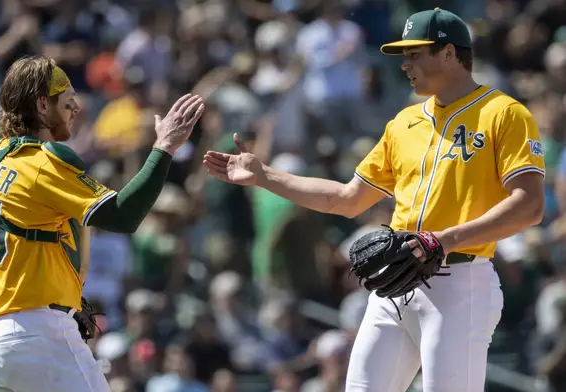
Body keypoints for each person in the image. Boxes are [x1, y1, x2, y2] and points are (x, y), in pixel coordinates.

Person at [203, 8, 546, 392]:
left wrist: (443, 240)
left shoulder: (504, 113)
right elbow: (346, 199)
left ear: (449, 54)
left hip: (459, 282)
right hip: (396, 281)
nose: (405, 65)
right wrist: (266, 176)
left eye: (414, 54)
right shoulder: (404, 124)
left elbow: (530, 206)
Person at [0, 55, 204, 392]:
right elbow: (123, 215)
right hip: (35, 337)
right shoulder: (40, 163)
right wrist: (164, 147)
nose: (76, 106)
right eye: (67, 99)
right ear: (42, 104)